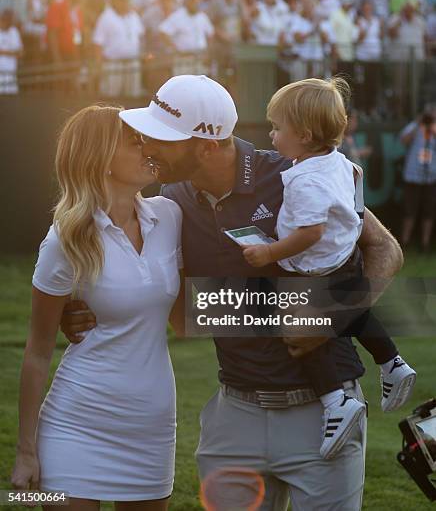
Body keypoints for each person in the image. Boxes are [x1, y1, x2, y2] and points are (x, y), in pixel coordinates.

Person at [61, 75, 404, 511]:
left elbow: (384, 247)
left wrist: (334, 316)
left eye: (163, 138)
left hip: (324, 413)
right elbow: (181, 313)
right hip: (234, 415)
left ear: (206, 146)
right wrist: (83, 310)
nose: (148, 144)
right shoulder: (173, 199)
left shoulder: (296, 171)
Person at [11, 105, 184, 510]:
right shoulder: (66, 239)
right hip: (75, 425)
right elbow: (37, 352)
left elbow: (187, 321)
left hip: (152, 427)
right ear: (100, 158)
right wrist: (25, 450)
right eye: (135, 142)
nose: (149, 149)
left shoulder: (171, 214)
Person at [241, 78, 416, 459]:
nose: (271, 135)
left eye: (276, 128)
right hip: (345, 259)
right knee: (357, 315)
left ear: (303, 135)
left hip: (314, 270)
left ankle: (336, 401)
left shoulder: (306, 180)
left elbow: (309, 232)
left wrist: (269, 253)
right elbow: (353, 206)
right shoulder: (342, 163)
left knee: (301, 335)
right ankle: (392, 363)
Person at [93, 0, 144, 98]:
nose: (125, 2)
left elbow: (140, 35)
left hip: (132, 61)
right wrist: (98, 65)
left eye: (126, 0)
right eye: (121, 0)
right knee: (112, 97)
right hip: (113, 63)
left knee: (133, 96)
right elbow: (98, 42)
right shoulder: (106, 17)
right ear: (115, 1)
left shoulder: (134, 15)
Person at [399, 105, 436, 251]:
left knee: (429, 211)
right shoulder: (414, 126)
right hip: (413, 176)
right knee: (409, 211)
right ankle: (404, 242)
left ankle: (425, 244)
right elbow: (404, 140)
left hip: (430, 177)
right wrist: (419, 123)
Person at [0, 8, 22, 95]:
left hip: (11, 75)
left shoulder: (14, 31)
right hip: (1, 74)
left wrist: (4, 52)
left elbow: (20, 52)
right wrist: (12, 53)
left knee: (11, 103)